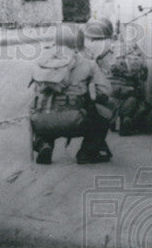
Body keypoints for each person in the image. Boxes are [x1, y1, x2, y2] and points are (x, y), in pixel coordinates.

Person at [28, 23, 114, 165]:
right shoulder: (88, 63)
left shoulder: (41, 62)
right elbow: (106, 90)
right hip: (74, 120)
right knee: (103, 117)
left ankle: (44, 144)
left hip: (41, 122)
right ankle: (87, 152)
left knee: (42, 111)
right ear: (80, 42)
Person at [82, 18, 152, 136]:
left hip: (106, 90)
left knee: (98, 102)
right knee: (138, 101)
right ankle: (127, 118)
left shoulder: (91, 48)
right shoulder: (129, 45)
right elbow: (143, 72)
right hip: (128, 90)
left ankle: (111, 120)